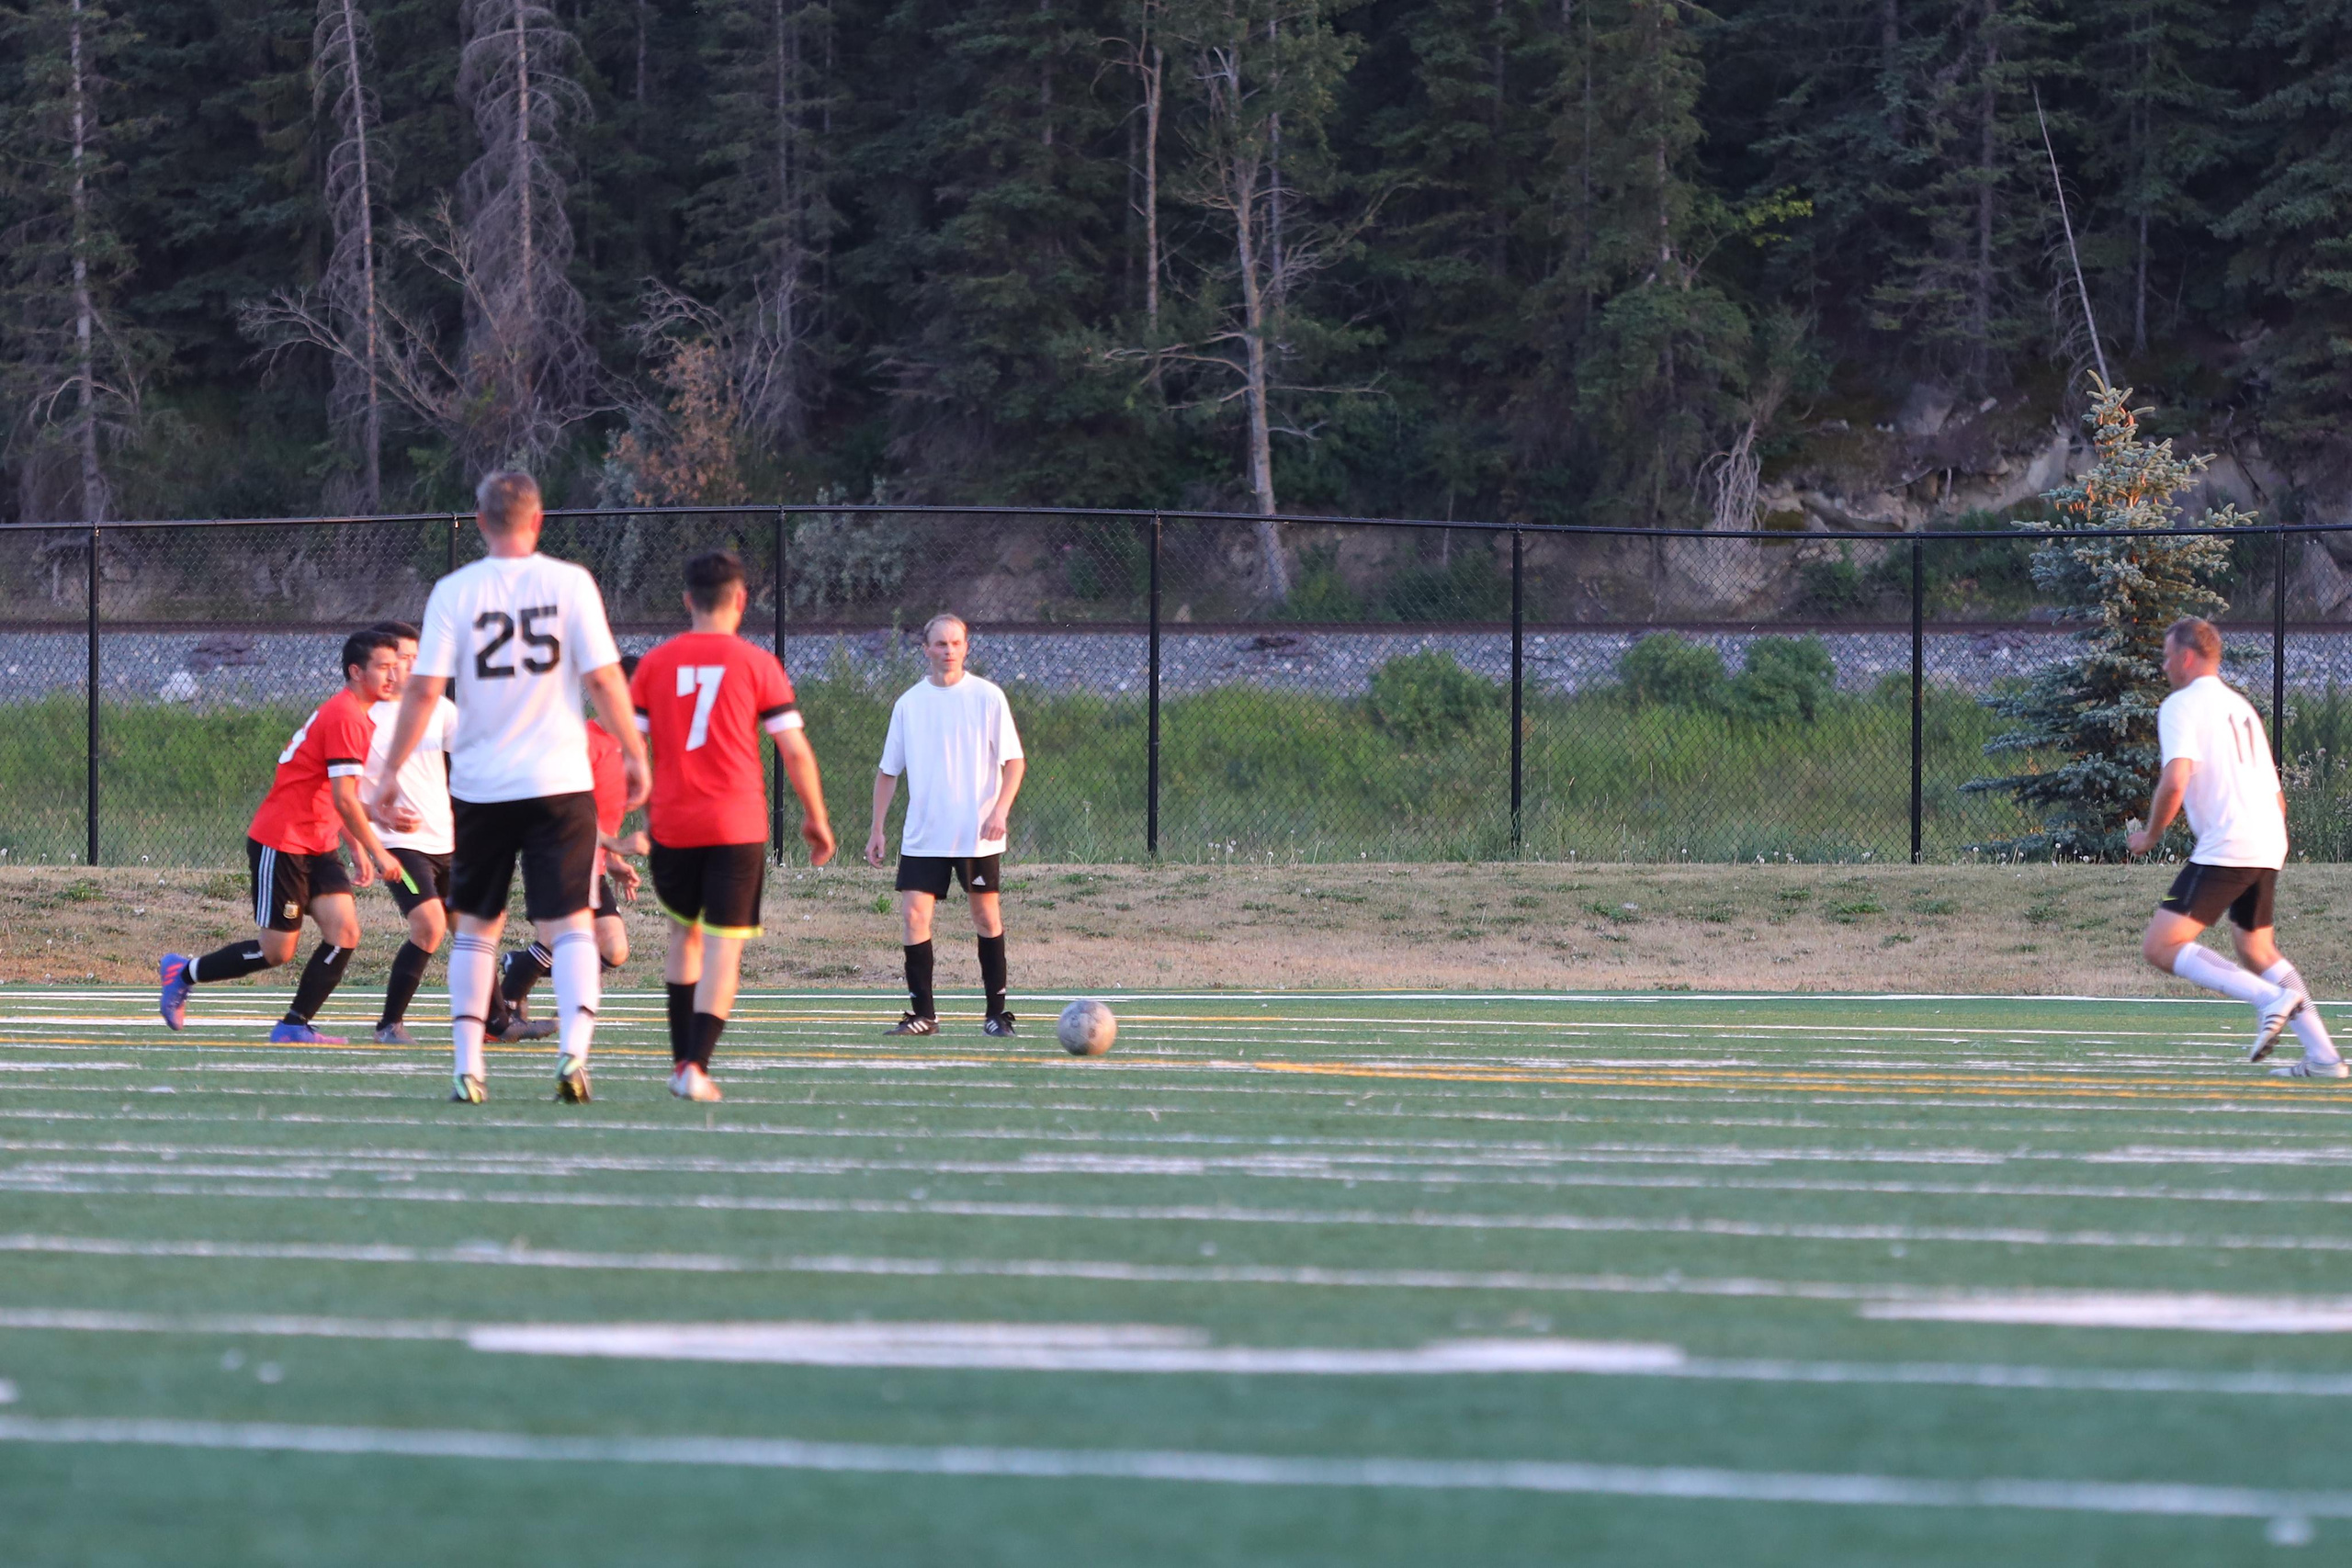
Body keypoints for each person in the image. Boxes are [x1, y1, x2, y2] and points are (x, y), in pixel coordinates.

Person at [372, 470, 649, 1105]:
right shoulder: (570, 582)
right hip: (559, 780)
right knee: (573, 922)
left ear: (479, 522)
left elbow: (423, 689)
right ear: (539, 520)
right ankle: (573, 1053)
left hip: (482, 785)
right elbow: (605, 681)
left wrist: (386, 775)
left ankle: (469, 1066)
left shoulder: (455, 590)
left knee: (476, 928)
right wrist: (635, 754)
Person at [633, 550, 835, 1100]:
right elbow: (793, 749)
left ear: (687, 601)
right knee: (725, 946)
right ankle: (696, 1067)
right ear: (741, 600)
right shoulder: (757, 663)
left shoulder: (654, 663)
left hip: (672, 823)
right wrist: (816, 819)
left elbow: (630, 744)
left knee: (683, 937)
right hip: (736, 823)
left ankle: (681, 1065)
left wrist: (625, 796)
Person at [159, 628, 407, 1043]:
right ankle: (182, 971)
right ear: (355, 672)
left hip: (319, 843)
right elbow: (346, 798)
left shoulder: (357, 716)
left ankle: (294, 1024)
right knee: (277, 951)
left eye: (395, 668)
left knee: (344, 932)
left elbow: (333, 791)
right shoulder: (346, 715)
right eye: (383, 668)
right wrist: (378, 852)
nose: (393, 676)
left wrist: (353, 843)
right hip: (284, 840)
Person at [2127, 616, 2343, 1079]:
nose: (2164, 666)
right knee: (2256, 947)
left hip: (2231, 843)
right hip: (2267, 838)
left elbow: (2176, 777)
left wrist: (2149, 836)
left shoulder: (2181, 705)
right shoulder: (2241, 707)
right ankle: (2325, 1058)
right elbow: (2276, 793)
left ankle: (2271, 999)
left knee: (2161, 946)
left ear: (2186, 657)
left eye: (2167, 656)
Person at [865, 613, 1024, 1036]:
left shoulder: (988, 697)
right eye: (940, 644)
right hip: (924, 836)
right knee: (914, 915)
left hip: (976, 835)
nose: (948, 651)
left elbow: (1015, 763)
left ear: (966, 648)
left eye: (955, 643)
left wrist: (1000, 811)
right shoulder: (909, 704)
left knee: (986, 916)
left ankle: (996, 1014)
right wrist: (877, 828)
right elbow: (888, 771)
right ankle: (923, 1015)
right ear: (926, 650)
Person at [486, 654, 647, 1041]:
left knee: (614, 950)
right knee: (558, 939)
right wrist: (617, 845)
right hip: (559, 853)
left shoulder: (632, 745)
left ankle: (521, 964)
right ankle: (502, 1014)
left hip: (592, 861)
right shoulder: (583, 741)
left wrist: (613, 859)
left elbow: (605, 813)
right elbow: (567, 812)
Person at [359, 620, 461, 1045]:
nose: (407, 667)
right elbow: (341, 791)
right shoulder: (361, 716)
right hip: (400, 844)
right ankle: (389, 1025)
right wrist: (367, 838)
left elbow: (472, 758)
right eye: (400, 658)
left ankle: (496, 1020)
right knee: (429, 926)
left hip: (447, 841)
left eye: (416, 659)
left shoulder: (438, 707)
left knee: (474, 929)